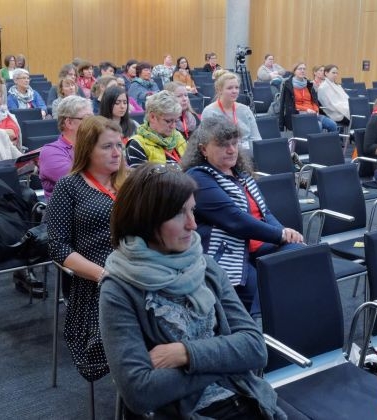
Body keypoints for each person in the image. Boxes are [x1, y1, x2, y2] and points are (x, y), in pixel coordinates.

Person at [100, 162, 291, 419]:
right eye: (179, 214)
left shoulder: (204, 266)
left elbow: (255, 348)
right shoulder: (120, 289)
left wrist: (185, 354)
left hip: (246, 396)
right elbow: (140, 391)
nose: (192, 224)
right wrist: (227, 361)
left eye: (192, 210)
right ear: (145, 219)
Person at [182, 116, 304, 316]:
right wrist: (279, 235)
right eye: (223, 145)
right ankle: (259, 328)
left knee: (301, 255)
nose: (231, 150)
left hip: (259, 246)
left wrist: (285, 233)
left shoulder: (240, 174)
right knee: (265, 291)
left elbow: (265, 212)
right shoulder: (198, 177)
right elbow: (235, 219)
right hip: (228, 253)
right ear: (203, 149)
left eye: (234, 143)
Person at [47, 115, 126, 383]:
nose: (116, 153)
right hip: (97, 282)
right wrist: (104, 275)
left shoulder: (129, 183)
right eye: (107, 146)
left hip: (138, 270)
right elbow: (58, 247)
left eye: (119, 145)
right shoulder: (69, 186)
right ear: (88, 149)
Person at [39, 96, 93, 200]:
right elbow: (80, 182)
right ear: (69, 123)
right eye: (87, 119)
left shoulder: (96, 145)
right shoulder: (51, 152)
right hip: (72, 208)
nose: (93, 123)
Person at [201, 71, 261, 152]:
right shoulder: (209, 112)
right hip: (223, 154)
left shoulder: (245, 110)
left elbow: (256, 139)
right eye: (230, 88)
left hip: (248, 153)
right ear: (219, 90)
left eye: (237, 87)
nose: (234, 91)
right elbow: (209, 143)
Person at [126, 90, 187, 168]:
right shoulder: (137, 144)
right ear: (152, 117)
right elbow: (141, 176)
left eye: (176, 121)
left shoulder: (178, 137)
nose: (173, 126)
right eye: (168, 121)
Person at [278, 62, 338, 133]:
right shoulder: (288, 85)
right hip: (297, 114)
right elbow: (289, 105)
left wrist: (316, 110)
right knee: (318, 125)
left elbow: (314, 101)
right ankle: (315, 140)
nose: (302, 71)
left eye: (304, 69)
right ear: (294, 71)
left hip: (312, 113)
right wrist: (307, 110)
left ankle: (329, 140)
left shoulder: (308, 84)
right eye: (300, 69)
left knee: (332, 125)